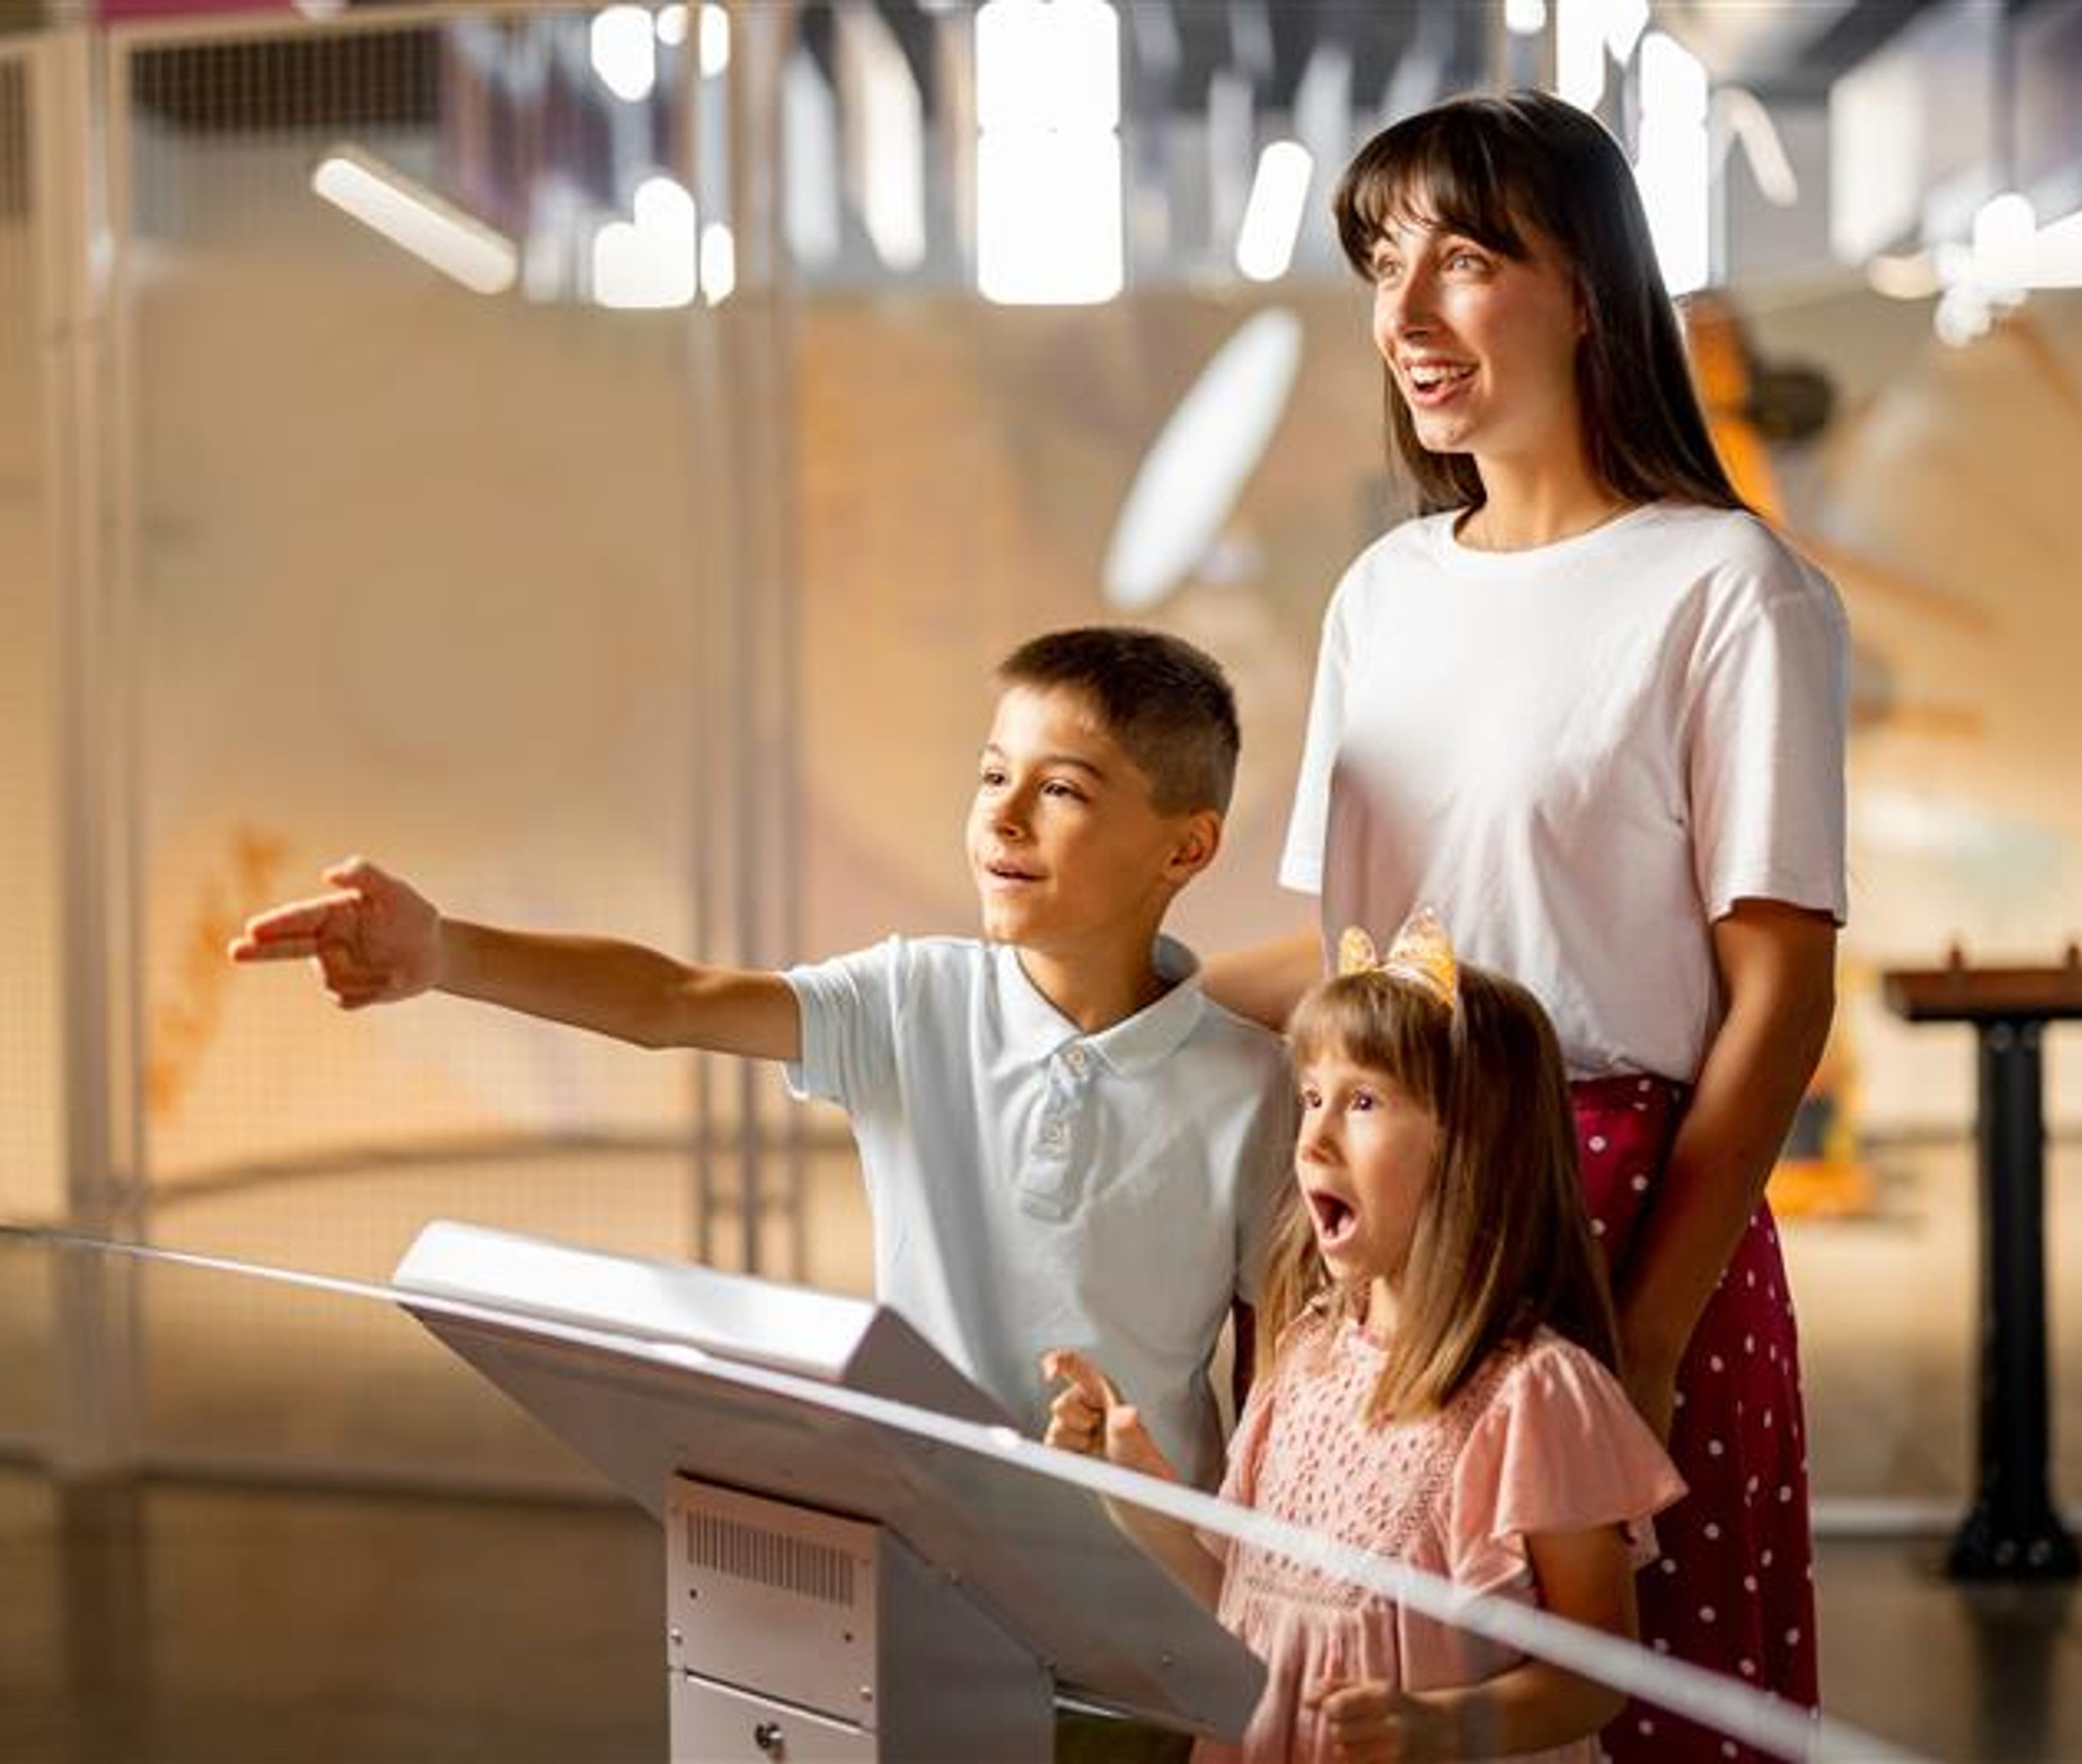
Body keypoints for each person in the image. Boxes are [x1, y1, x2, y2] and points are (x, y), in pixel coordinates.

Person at [1205, 91, 1847, 1753]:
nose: (1404, 317)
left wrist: (1643, 1334)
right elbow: (1362, 964)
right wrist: (1101, 997)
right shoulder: (1385, 594)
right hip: (1395, 1227)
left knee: (1637, 1709)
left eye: (1466, 260)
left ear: (1588, 290)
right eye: (1381, 265)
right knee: (1365, 1680)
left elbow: (1777, 999)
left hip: (1622, 1215)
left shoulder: (1729, 588)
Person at [230, 625, 1293, 1489]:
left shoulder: (1255, 1090)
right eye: (991, 776)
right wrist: (446, 950)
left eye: (1061, 791)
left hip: (1141, 1589)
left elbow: (1283, 1370)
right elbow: (670, 1001)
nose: (1002, 818)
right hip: (920, 1545)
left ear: (1186, 848)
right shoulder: (909, 998)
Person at [1047, 913, 1684, 1763]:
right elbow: (1246, 1613)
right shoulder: (1304, 1361)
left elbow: (1596, 1672)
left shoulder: (1537, 1396)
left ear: (1474, 1145)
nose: (1312, 1136)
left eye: (1364, 1101)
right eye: (1312, 1097)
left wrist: (1448, 1726)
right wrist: (1127, 1488)